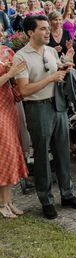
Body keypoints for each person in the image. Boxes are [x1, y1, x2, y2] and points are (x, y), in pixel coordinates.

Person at [14, 15, 76, 219]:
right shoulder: (21, 57)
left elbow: (56, 76)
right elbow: (24, 90)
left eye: (48, 28)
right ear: (30, 33)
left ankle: (67, 194)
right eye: (43, 29)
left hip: (58, 105)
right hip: (37, 108)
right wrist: (50, 78)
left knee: (63, 152)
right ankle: (46, 200)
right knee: (43, 157)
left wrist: (64, 69)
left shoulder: (52, 51)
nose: (48, 32)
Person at [0, 47, 29, 218]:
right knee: (5, 154)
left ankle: (8, 200)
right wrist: (10, 73)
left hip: (9, 106)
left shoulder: (6, 51)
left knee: (10, 155)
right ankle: (3, 203)